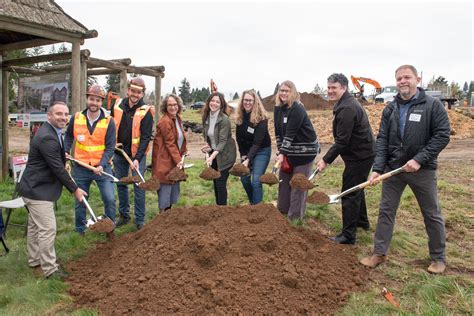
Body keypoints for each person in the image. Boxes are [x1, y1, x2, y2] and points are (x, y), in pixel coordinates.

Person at [360, 65, 451, 274]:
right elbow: (382, 140)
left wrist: (419, 159)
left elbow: (442, 135)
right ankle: (379, 253)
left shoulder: (432, 105)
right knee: (386, 211)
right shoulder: (390, 108)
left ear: (417, 79)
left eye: (407, 77)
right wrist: (377, 169)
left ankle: (438, 257)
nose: (403, 81)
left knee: (431, 213)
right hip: (395, 170)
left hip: (422, 170)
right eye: (399, 78)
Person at [18, 101, 87, 279]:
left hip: (32, 187)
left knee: (35, 227)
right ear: (49, 116)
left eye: (65, 114)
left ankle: (34, 261)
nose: (63, 117)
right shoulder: (47, 136)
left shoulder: (52, 132)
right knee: (48, 229)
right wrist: (75, 189)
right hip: (37, 190)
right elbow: (57, 168)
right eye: (58, 114)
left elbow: (53, 157)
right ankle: (49, 269)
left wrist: (60, 154)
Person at [316, 73, 375, 244]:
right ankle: (362, 222)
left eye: (334, 88)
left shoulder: (347, 108)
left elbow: (342, 141)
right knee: (357, 187)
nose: (330, 91)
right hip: (363, 153)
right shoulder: (344, 103)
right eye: (328, 87)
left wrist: (325, 160)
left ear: (344, 88)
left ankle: (348, 235)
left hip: (360, 155)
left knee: (349, 192)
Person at [64, 85, 116, 238]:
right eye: (92, 99)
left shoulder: (108, 121)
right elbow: (68, 136)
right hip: (80, 167)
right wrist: (66, 150)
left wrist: (101, 164)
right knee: (81, 200)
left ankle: (110, 228)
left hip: (102, 167)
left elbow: (110, 146)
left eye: (98, 100)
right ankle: (80, 230)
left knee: (109, 198)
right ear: (87, 99)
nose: (94, 103)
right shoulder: (77, 118)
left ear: (102, 102)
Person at [111, 77, 154, 230]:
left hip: (137, 155)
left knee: (139, 186)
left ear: (142, 94)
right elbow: (110, 126)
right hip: (119, 153)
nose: (135, 94)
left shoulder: (146, 112)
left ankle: (140, 220)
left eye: (139, 92)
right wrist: (112, 143)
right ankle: (124, 215)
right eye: (133, 91)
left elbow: (146, 137)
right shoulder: (117, 106)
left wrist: (137, 158)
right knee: (122, 183)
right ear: (128, 90)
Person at [274, 80, 320, 219]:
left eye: (287, 91)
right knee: (284, 181)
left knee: (298, 184)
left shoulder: (297, 108)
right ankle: (282, 212)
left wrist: (282, 153)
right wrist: (280, 151)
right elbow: (278, 132)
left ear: (293, 92)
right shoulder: (278, 109)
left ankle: (294, 218)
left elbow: (290, 134)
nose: (283, 93)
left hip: (305, 152)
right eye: (281, 90)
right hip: (289, 151)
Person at [151, 94, 187, 213]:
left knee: (172, 191)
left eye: (175, 104)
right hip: (164, 160)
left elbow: (179, 138)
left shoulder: (177, 118)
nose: (173, 107)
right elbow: (169, 143)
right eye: (170, 105)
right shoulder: (165, 121)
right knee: (165, 191)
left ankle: (168, 220)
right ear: (165, 107)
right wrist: (179, 161)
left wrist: (184, 151)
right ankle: (161, 221)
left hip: (173, 159)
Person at [235, 89, 271, 204]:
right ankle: (253, 204)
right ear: (242, 101)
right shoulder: (240, 117)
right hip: (248, 152)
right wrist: (243, 155)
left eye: (250, 100)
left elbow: (257, 143)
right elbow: (239, 139)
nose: (248, 102)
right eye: (245, 100)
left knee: (256, 180)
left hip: (261, 151)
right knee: (244, 178)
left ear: (255, 102)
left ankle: (257, 208)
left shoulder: (262, 119)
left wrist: (248, 159)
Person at [201, 92, 237, 205]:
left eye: (217, 102)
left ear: (221, 105)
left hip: (225, 156)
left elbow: (222, 141)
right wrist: (207, 147)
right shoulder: (206, 117)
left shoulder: (224, 119)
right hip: (214, 154)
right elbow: (207, 136)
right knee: (215, 182)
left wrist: (211, 156)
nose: (214, 103)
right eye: (212, 100)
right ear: (208, 102)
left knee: (220, 183)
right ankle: (218, 208)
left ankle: (222, 211)